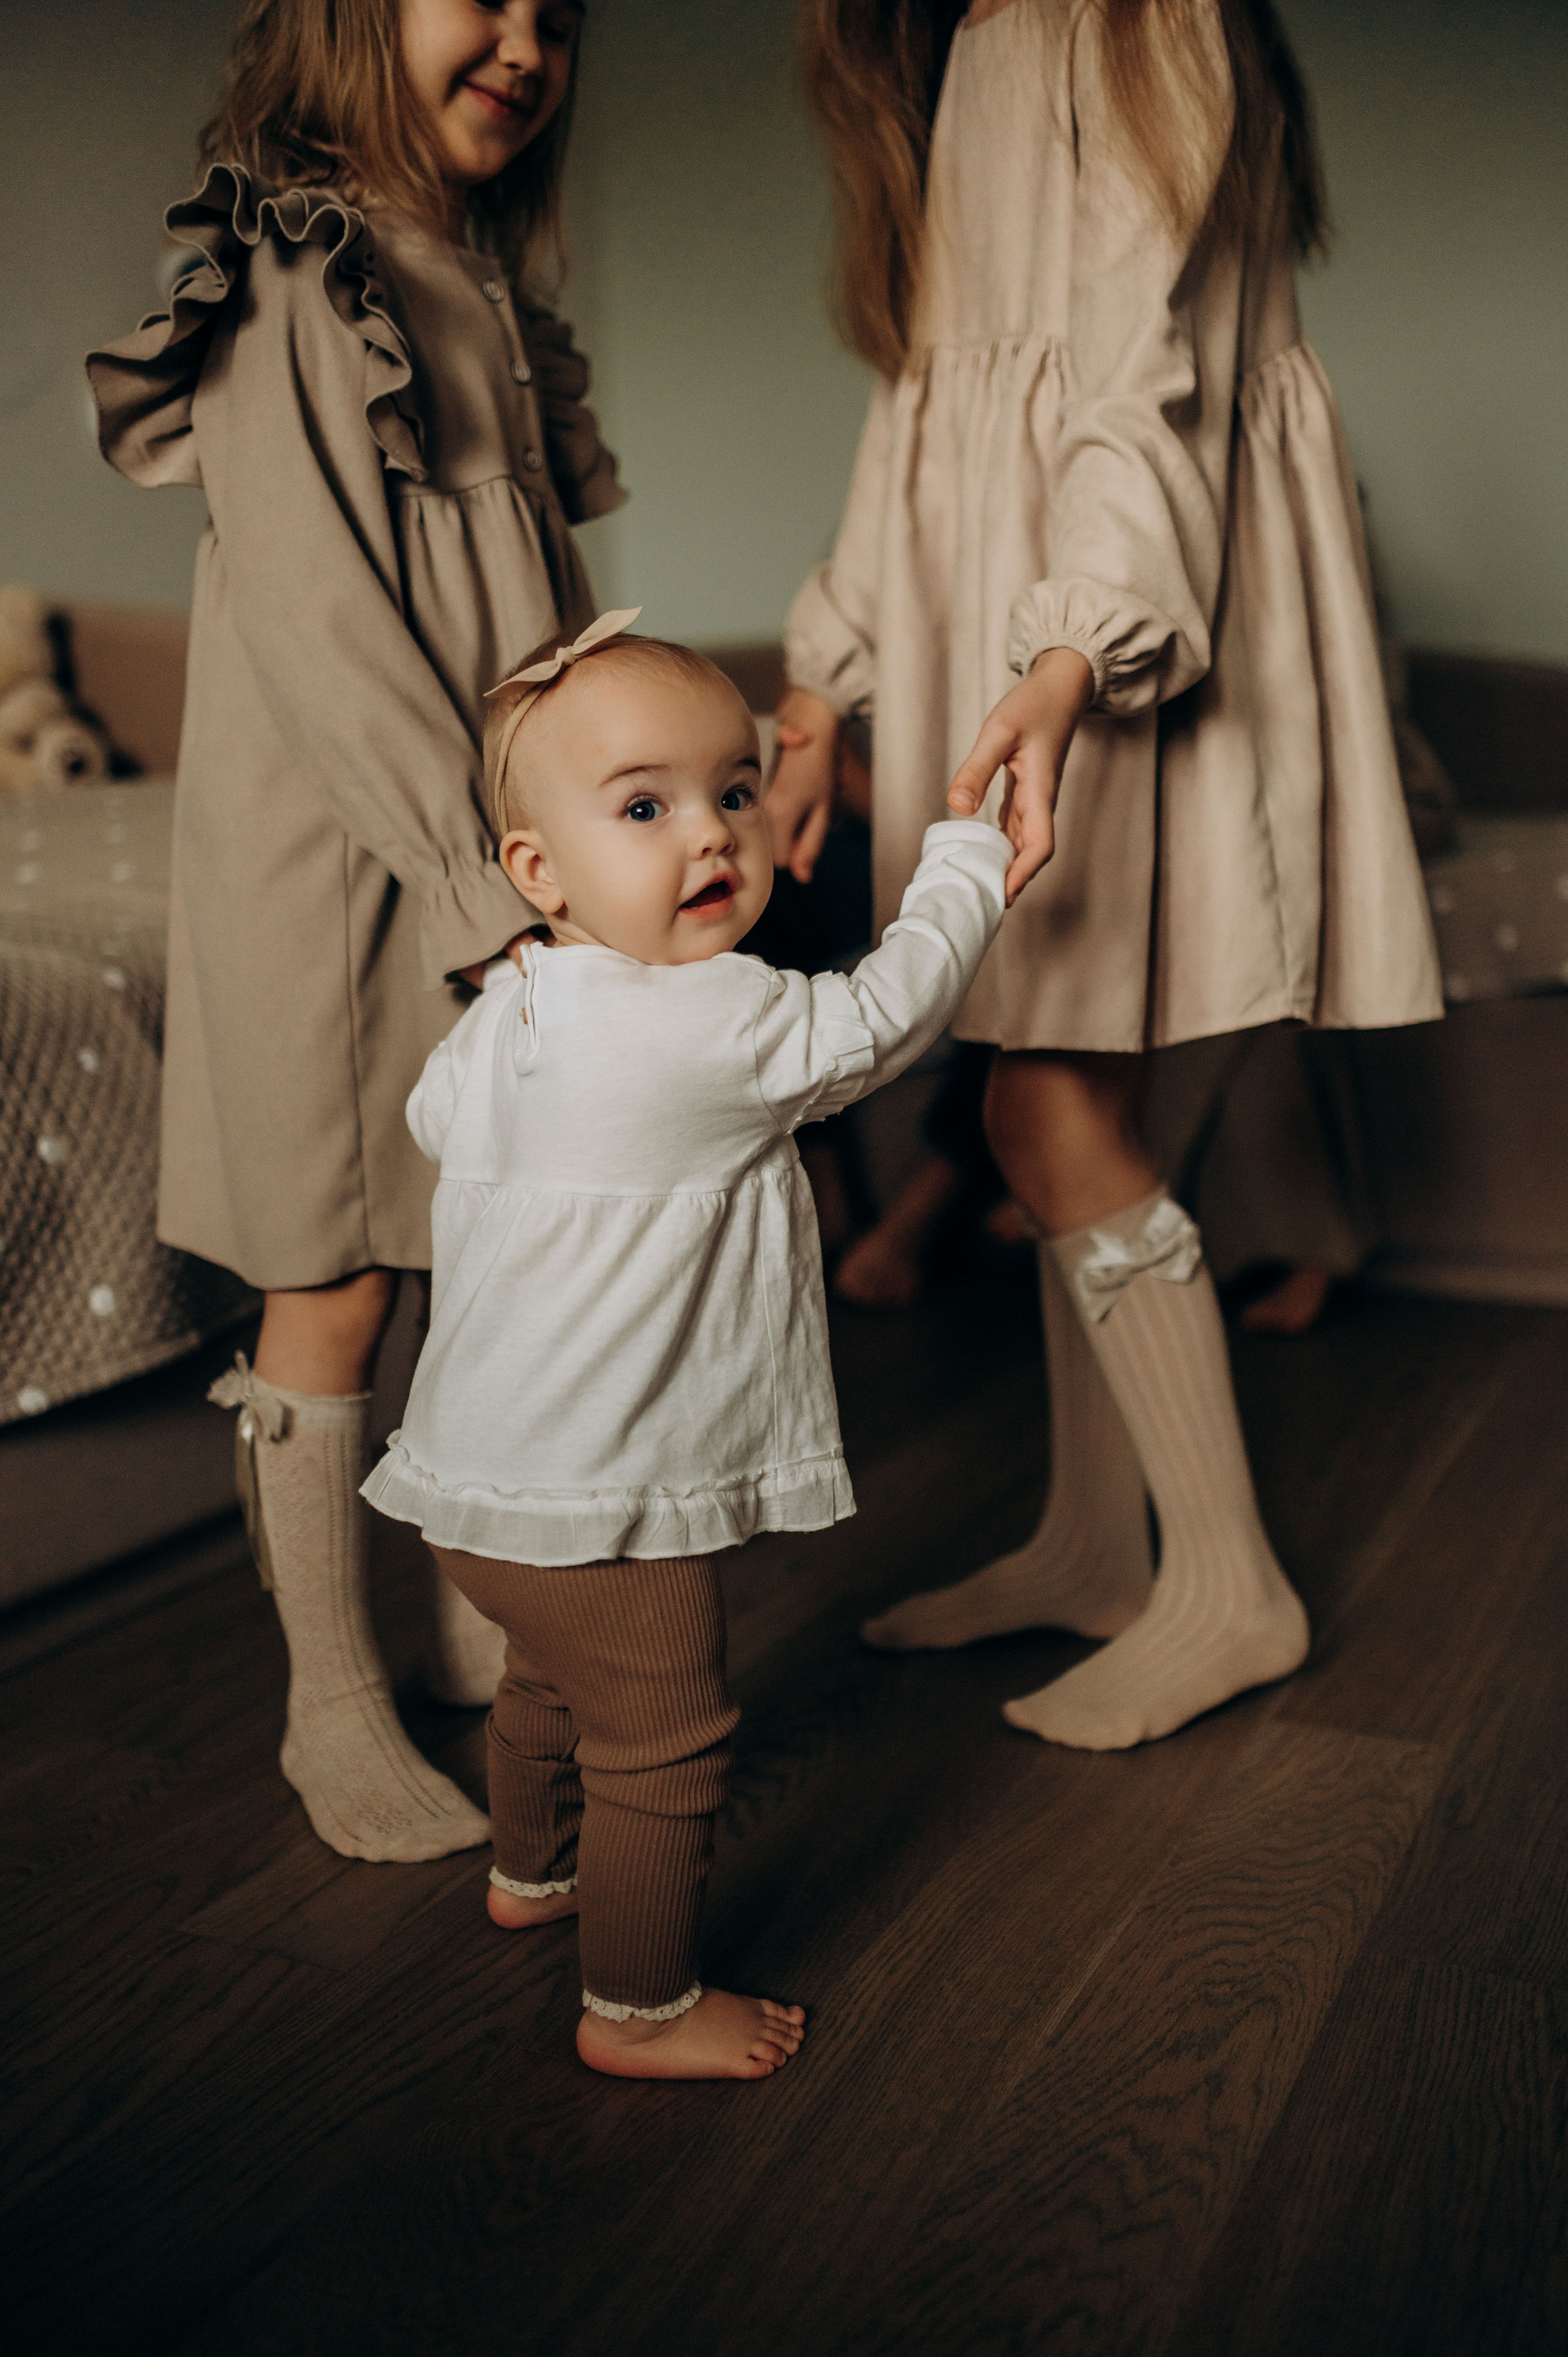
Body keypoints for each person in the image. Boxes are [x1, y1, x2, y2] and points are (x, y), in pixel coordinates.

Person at [770, 0, 1442, 1748]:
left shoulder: (1132, 19)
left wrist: (1072, 656)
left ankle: (1229, 1585)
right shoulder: (969, 49)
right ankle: (1098, 1545)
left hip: (1115, 624)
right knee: (1045, 1102)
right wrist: (817, 670)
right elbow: (922, 406)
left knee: (1049, 1110)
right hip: (1040, 620)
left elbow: (1144, 384)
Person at [86, 0, 620, 1861]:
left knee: (472, 1231)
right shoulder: (294, 270)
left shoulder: (465, 277)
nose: (528, 38)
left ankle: (472, 1612)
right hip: (341, 847)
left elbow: (532, 609)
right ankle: (329, 1697)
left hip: (484, 843)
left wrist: (581, 826)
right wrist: (475, 868)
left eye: (562, 15)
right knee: (338, 1271)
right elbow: (324, 627)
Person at [361, 614, 1009, 2075]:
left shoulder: (514, 997)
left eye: (732, 791)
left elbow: (432, 1124)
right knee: (665, 1738)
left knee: (544, 1681)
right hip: (602, 1496)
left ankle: (528, 1877)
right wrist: (964, 861)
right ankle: (638, 2006)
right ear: (540, 867)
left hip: (473, 1482)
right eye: (643, 807)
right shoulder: (714, 1018)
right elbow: (884, 1017)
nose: (711, 835)